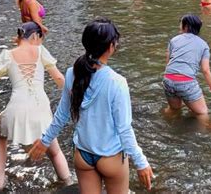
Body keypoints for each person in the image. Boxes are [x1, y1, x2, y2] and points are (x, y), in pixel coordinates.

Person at [28, 18, 154, 193]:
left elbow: (62, 114)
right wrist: (141, 163)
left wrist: (45, 141)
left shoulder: (72, 73)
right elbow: (124, 129)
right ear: (111, 47)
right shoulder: (117, 82)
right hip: (111, 158)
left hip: (83, 156)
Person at [0, 22, 70, 190]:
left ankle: (1, 180)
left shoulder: (7, 55)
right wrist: (77, 93)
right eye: (39, 39)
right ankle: (68, 183)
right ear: (34, 36)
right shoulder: (40, 52)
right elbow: (60, 80)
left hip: (16, 109)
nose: (39, 42)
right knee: (55, 151)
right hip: (41, 109)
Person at [163, 14, 211, 118]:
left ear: (186, 26)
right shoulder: (203, 45)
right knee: (203, 113)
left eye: (181, 24)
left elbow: (168, 63)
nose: (179, 26)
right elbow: (206, 70)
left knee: (174, 109)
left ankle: (166, 127)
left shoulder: (174, 40)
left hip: (168, 79)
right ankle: (202, 134)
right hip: (186, 81)